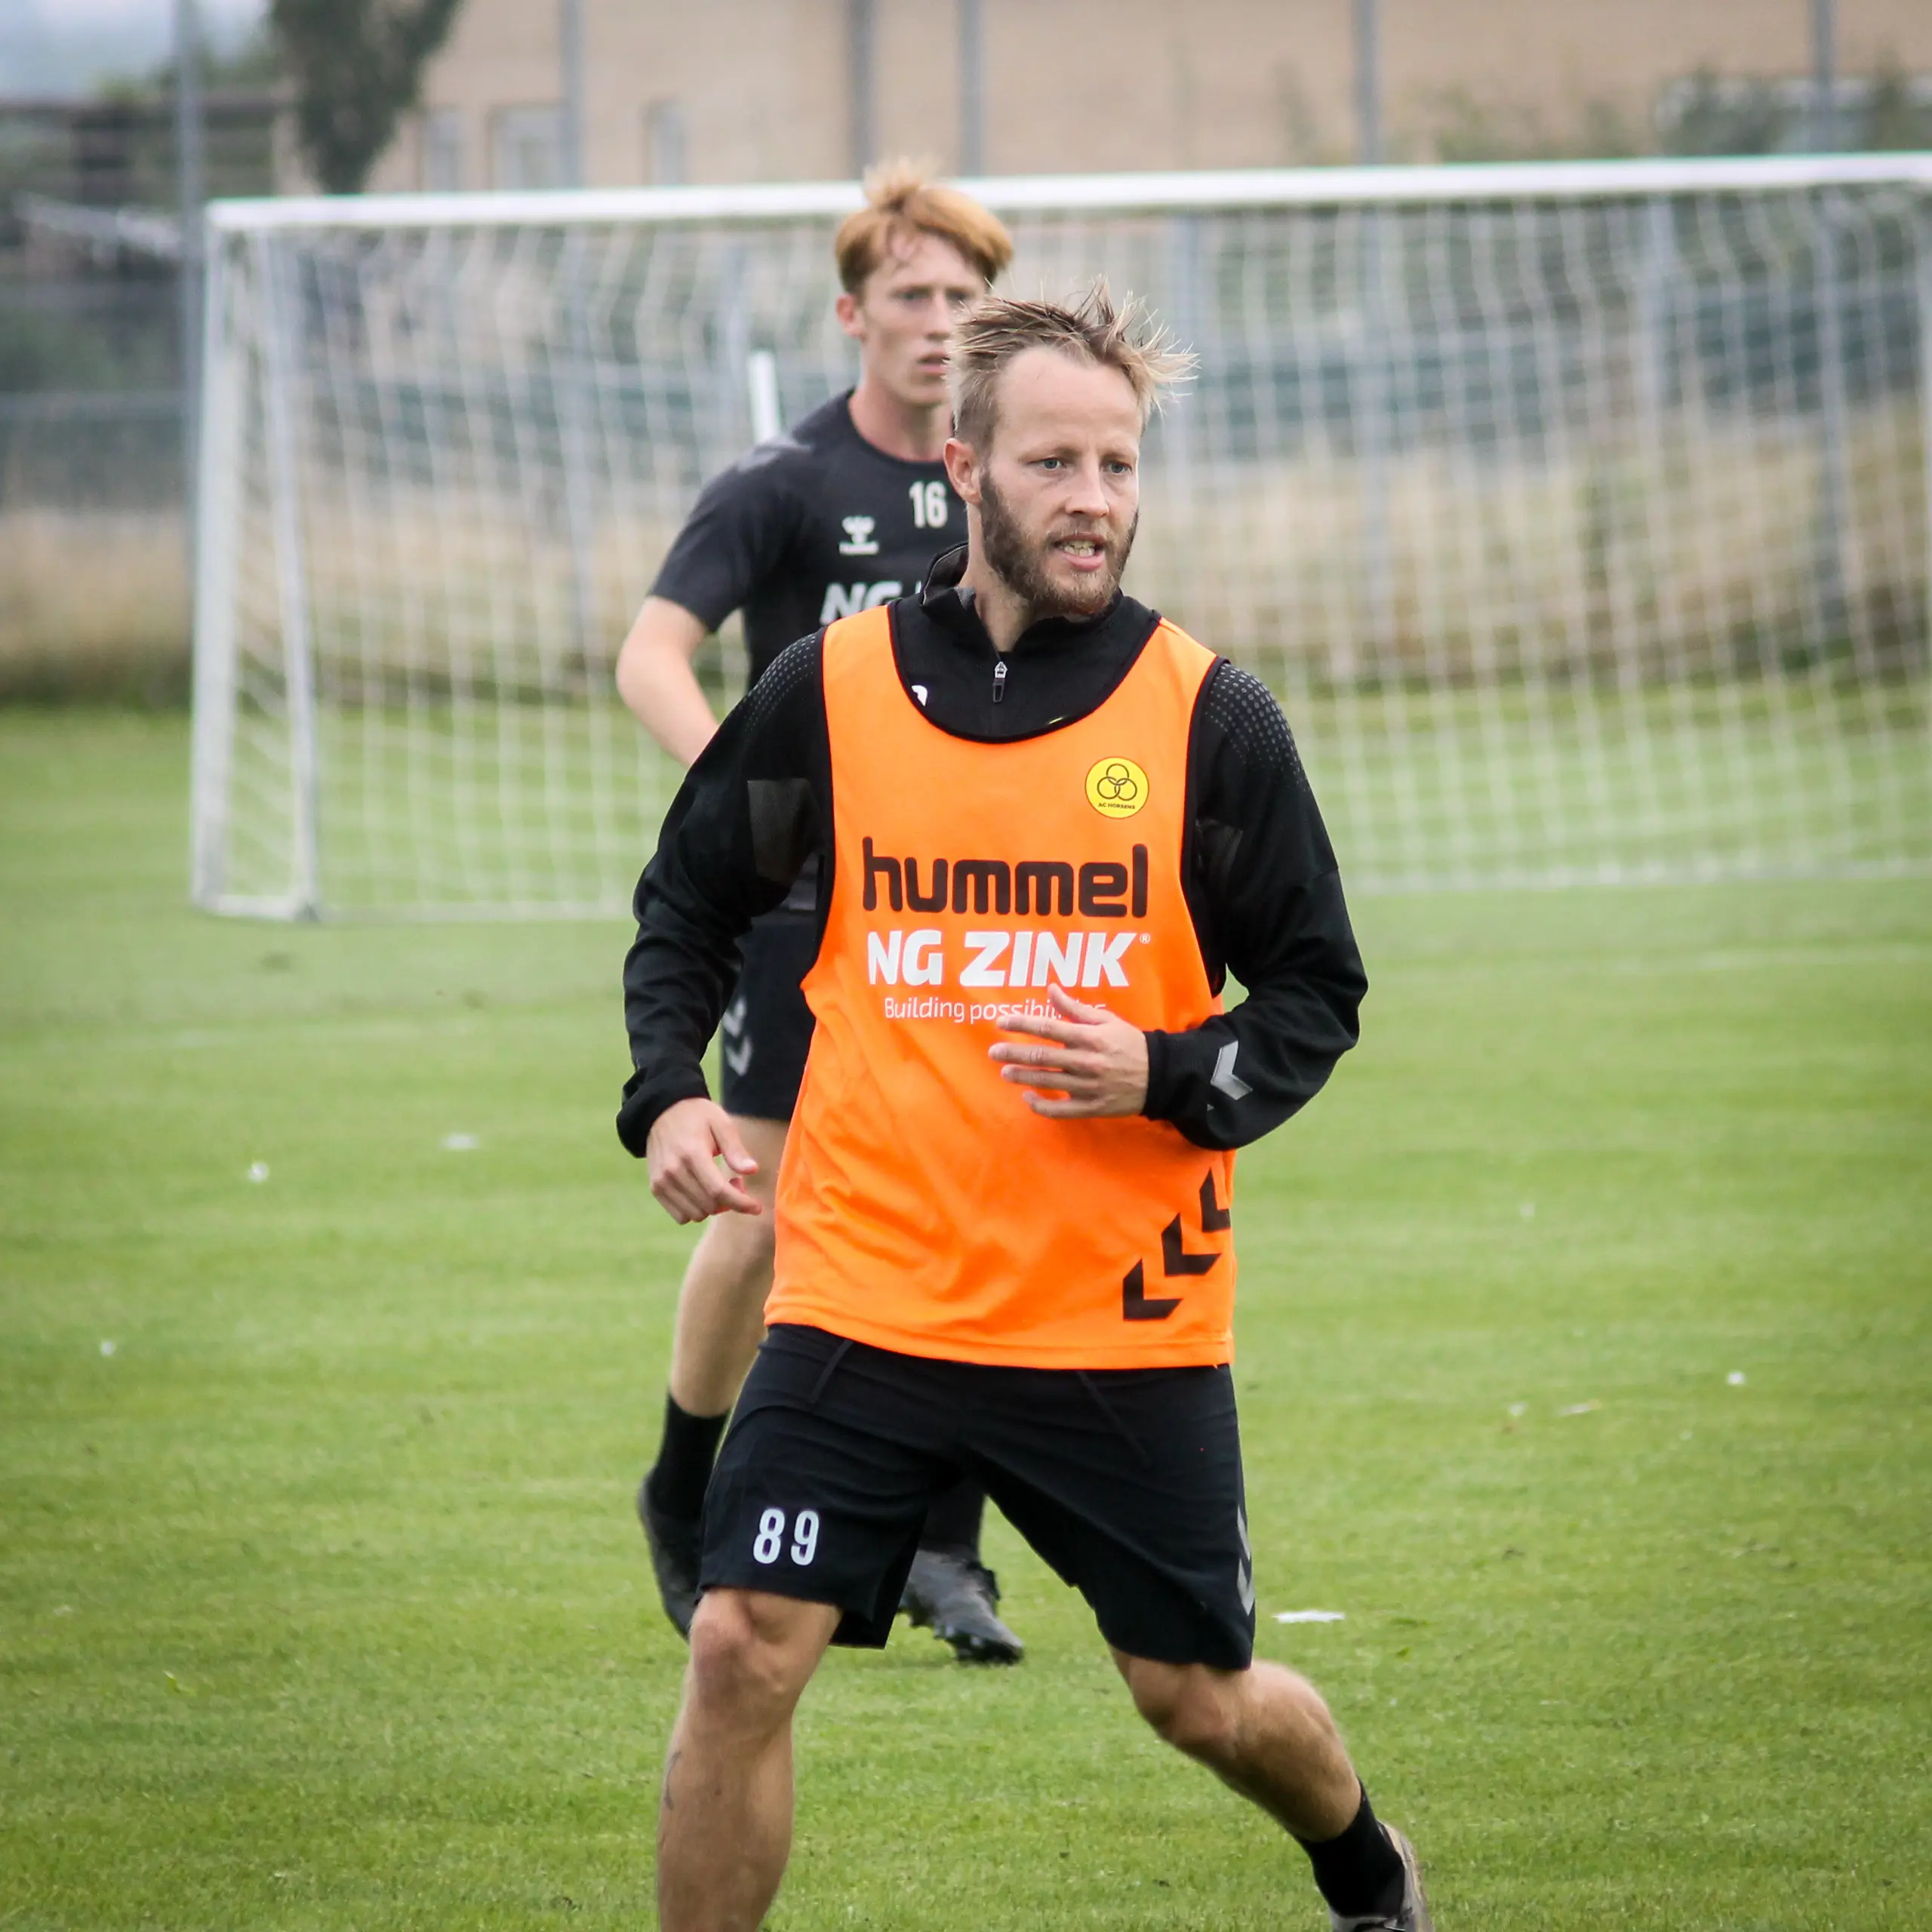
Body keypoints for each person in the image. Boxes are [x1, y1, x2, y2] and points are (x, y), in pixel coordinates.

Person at [617, 284, 1433, 1930]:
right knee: (737, 1639)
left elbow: (1312, 992)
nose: (1095, 498)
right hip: (864, 1294)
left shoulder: (1209, 718)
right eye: (1056, 460)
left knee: (1195, 1697)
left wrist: (1164, 1069)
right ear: (965, 470)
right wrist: (662, 1099)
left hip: (1111, 1323)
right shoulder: (831, 691)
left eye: (1120, 464)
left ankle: (1363, 1869)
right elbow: (694, 899)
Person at [614, 166, 1025, 1663]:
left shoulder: (1006, 481)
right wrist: (751, 798)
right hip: (801, 913)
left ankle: (943, 1547)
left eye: (964, 299)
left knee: (980, 1185)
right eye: (910, 297)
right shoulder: (782, 482)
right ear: (851, 315)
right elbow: (652, 654)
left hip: (962, 908)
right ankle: (679, 1488)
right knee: (770, 1210)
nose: (937, 323)